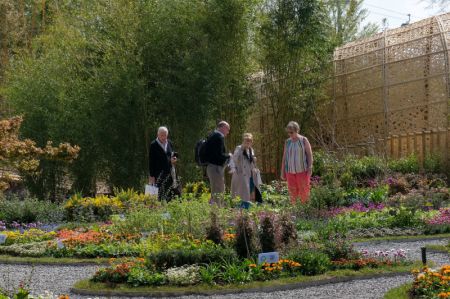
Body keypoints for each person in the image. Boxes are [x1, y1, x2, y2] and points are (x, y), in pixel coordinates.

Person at [280, 121, 313, 204]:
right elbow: (284, 157)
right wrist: (282, 171)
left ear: (297, 130)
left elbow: (309, 155)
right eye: (288, 132)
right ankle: (294, 211)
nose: (290, 134)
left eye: (291, 132)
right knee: (292, 193)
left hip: (302, 170)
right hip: (290, 171)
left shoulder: (303, 140)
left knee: (304, 192)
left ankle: (305, 211)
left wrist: (310, 167)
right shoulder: (287, 142)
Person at [230, 133, 262, 209]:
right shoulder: (239, 148)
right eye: (246, 140)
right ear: (243, 140)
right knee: (240, 193)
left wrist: (254, 160)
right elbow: (235, 159)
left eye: (250, 140)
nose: (248, 142)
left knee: (250, 192)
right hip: (241, 175)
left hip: (250, 175)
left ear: (252, 142)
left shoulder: (251, 149)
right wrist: (242, 149)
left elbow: (250, 162)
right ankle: (240, 209)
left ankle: (248, 209)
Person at [203, 121, 231, 205]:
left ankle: (216, 212)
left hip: (212, 167)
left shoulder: (212, 135)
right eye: (228, 129)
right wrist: (228, 156)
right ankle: (216, 214)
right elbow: (218, 155)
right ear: (222, 127)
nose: (228, 132)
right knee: (218, 191)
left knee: (216, 190)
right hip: (215, 168)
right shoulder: (218, 137)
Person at [148, 126, 179, 201]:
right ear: (158, 134)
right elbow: (151, 161)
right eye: (161, 135)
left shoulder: (170, 143)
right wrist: (151, 176)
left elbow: (172, 154)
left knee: (171, 193)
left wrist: (174, 159)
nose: (163, 137)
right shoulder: (153, 145)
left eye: (165, 135)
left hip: (170, 173)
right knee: (160, 194)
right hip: (159, 174)